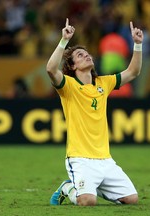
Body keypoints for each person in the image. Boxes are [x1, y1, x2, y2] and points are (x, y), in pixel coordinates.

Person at [46, 18, 143, 206]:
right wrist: (64, 41)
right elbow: (50, 69)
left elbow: (133, 72)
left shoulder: (103, 83)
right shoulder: (69, 86)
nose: (87, 56)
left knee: (131, 199)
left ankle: (90, 185)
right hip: (80, 158)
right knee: (88, 201)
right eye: (80, 55)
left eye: (87, 53)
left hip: (105, 159)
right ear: (73, 66)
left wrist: (138, 45)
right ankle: (67, 188)